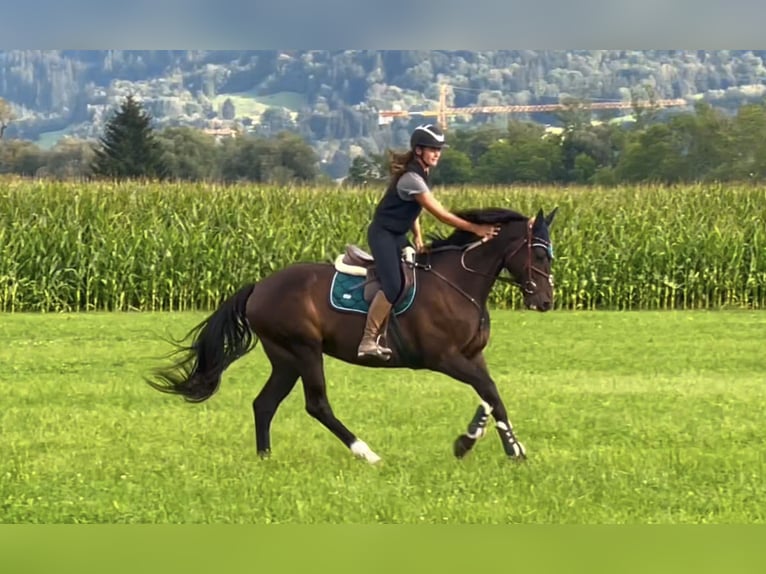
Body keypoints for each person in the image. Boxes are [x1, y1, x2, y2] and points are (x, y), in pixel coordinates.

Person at [357, 123, 500, 360]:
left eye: (439, 149)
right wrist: (476, 228)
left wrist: (418, 236)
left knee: (421, 272)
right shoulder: (412, 178)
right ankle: (368, 340)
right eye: (432, 149)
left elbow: (413, 209)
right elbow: (441, 214)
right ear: (418, 151)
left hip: (397, 235)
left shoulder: (420, 173)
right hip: (383, 234)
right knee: (393, 286)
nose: (437, 154)